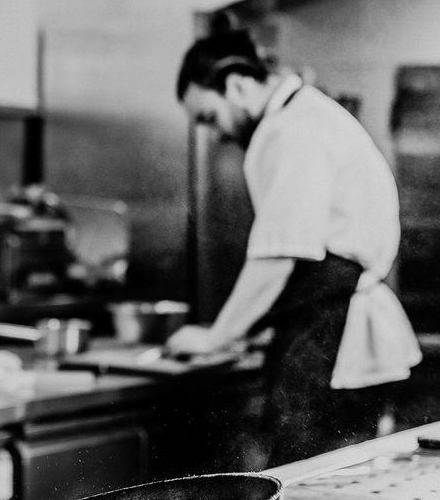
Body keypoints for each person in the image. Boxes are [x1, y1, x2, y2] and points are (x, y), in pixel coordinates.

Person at [167, 29, 422, 468]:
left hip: (333, 336)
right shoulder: (307, 115)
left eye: (209, 117)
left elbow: (278, 254)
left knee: (304, 494)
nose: (216, 134)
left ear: (237, 86)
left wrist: (218, 336)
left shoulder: (293, 128)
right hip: (335, 329)